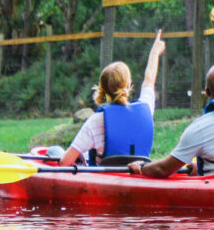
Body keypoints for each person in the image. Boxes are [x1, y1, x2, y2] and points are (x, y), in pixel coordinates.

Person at [52, 32, 166, 165]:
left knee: (55, 151)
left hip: (104, 179)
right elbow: (149, 79)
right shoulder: (146, 108)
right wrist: (154, 53)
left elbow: (65, 162)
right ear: (128, 85)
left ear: (102, 89)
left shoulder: (95, 121)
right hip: (137, 175)